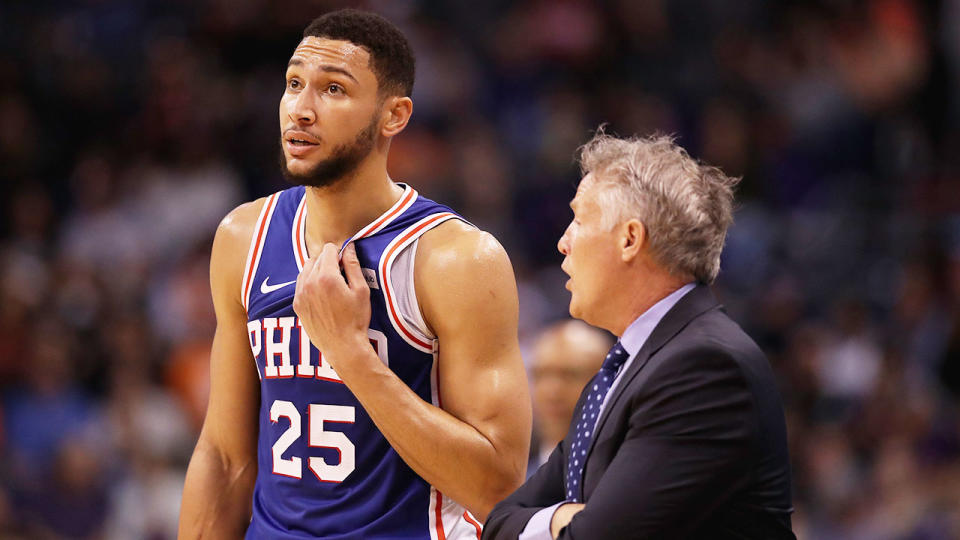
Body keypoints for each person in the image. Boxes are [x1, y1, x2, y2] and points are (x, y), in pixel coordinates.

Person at [178, 9, 532, 539]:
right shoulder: (243, 237)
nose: (300, 109)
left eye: (334, 90)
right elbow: (225, 458)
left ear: (394, 115)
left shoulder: (455, 259)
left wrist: (350, 356)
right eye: (294, 84)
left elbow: (497, 487)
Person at [483, 132, 794, 539]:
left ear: (630, 239)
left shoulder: (705, 368)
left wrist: (556, 521)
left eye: (578, 219)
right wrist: (564, 518)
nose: (563, 242)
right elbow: (499, 521)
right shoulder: (623, 368)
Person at [527, 320, 611, 474]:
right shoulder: (513, 480)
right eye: (540, 375)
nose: (552, 392)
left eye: (571, 375)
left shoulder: (623, 474)